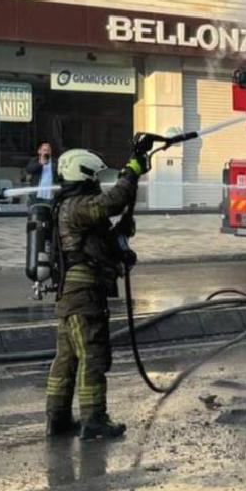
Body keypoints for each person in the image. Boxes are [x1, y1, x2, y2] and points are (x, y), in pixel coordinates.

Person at [44, 140, 152, 440]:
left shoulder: (68, 207)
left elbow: (96, 242)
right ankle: (94, 420)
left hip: (73, 296)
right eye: (94, 178)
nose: (97, 184)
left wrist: (120, 234)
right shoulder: (77, 206)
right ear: (84, 176)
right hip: (84, 296)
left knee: (66, 359)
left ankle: (58, 419)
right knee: (92, 356)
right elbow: (112, 202)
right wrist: (131, 170)